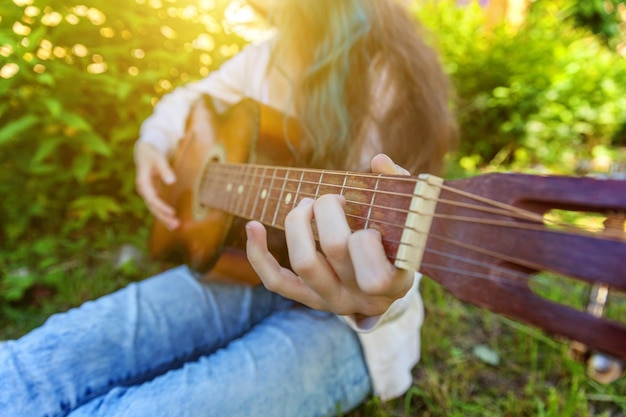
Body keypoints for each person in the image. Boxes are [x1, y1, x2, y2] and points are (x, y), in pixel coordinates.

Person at [0, 0, 457, 416]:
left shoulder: (392, 77)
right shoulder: (265, 57)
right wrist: (153, 144)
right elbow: (187, 100)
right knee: (35, 364)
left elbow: (405, 237)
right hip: (242, 271)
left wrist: (378, 299)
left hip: (348, 328)